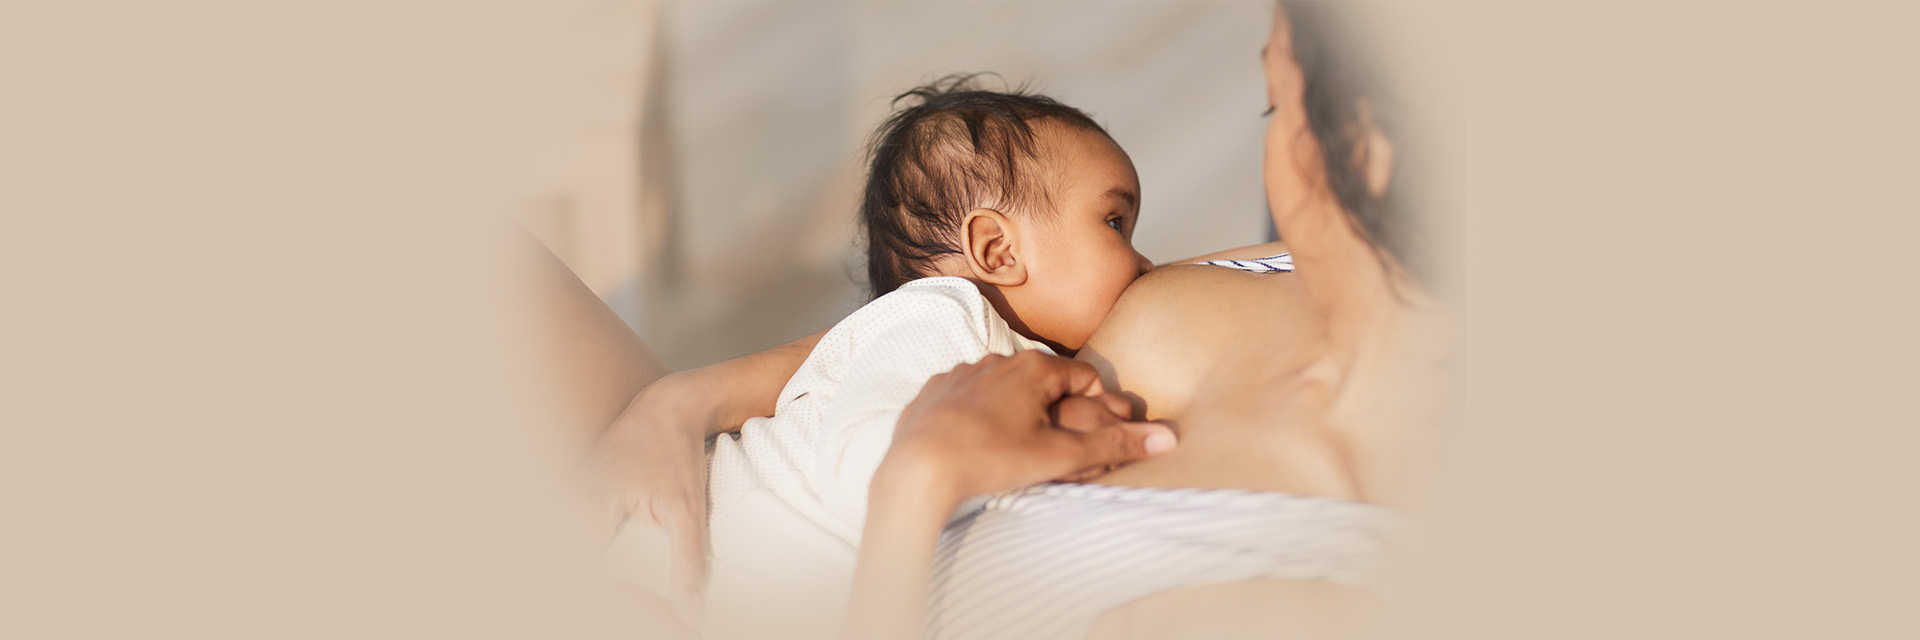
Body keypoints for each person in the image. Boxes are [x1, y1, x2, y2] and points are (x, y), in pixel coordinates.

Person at [593, 77, 1169, 639]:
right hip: (661, 575)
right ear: (996, 249)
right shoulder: (944, 316)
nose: (1144, 264)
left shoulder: (972, 342)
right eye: (1115, 223)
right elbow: (862, 469)